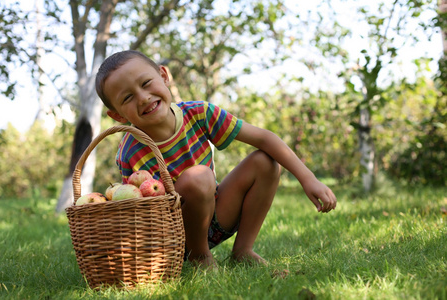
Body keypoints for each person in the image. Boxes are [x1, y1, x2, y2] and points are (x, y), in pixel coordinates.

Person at [95, 50, 337, 269]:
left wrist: (308, 179)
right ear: (117, 115)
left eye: (146, 83)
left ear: (164, 75)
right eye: (127, 98)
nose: (144, 97)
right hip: (175, 235)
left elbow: (264, 138)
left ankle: (243, 250)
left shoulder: (198, 113)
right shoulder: (131, 150)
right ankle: (199, 257)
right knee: (197, 177)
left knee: (265, 161)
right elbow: (139, 213)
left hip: (216, 215)